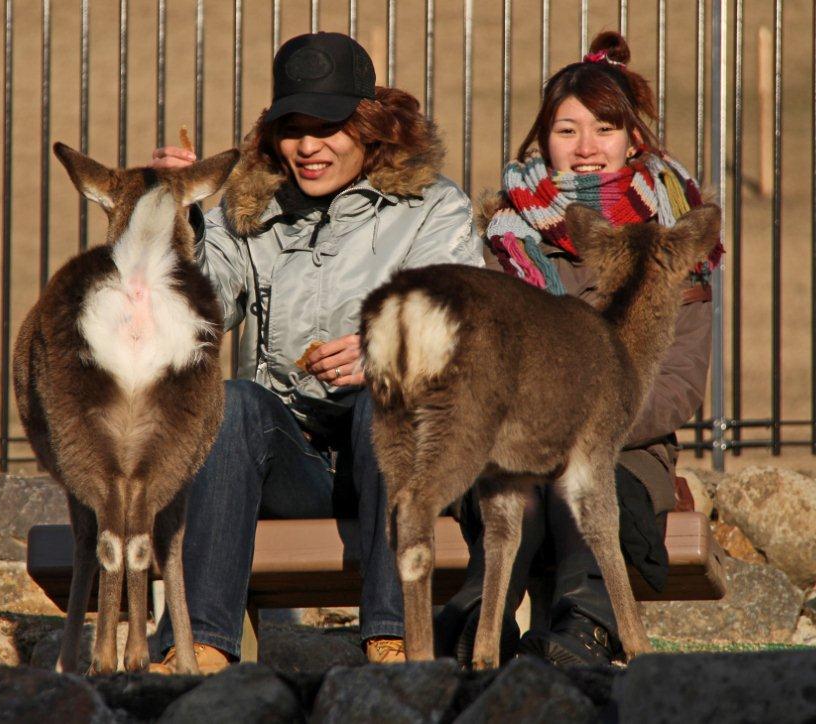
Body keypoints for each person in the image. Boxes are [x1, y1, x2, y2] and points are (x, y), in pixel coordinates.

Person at [147, 32, 482, 673]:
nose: (308, 147)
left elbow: (465, 324)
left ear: (369, 127)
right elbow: (195, 318)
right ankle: (202, 643)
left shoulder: (435, 208)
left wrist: (386, 350)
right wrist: (177, 215)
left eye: (327, 127)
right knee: (236, 402)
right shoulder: (243, 212)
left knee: (385, 400)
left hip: (398, 459)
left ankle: (394, 634)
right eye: (292, 129)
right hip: (289, 463)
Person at [435, 30, 722, 668]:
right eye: (567, 131)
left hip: (628, 442)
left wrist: (585, 427)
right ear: (543, 142)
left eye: (605, 128)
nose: (587, 148)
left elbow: (679, 384)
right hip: (514, 436)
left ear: (633, 140)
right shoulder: (502, 240)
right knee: (509, 490)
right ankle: (476, 625)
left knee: (596, 486)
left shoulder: (672, 243)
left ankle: (585, 626)